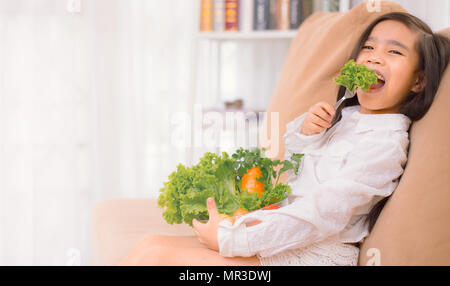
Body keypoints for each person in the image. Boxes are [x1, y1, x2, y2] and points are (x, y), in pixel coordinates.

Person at [118, 12, 450, 266]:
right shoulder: (346, 117)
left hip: (318, 254)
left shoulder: (386, 144)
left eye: (394, 52)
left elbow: (326, 210)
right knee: (147, 246)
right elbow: (297, 167)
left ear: (419, 81)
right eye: (369, 47)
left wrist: (235, 239)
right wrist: (307, 133)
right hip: (287, 235)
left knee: (156, 257)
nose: (375, 57)